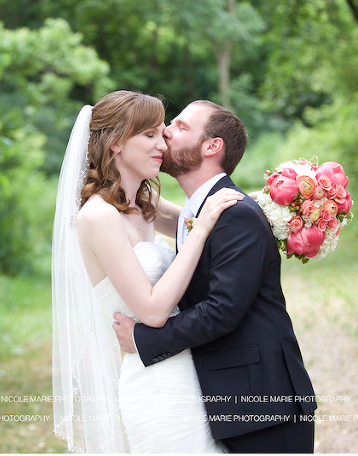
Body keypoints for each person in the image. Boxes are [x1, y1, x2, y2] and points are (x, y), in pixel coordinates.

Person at [113, 100, 317, 453]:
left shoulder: (235, 214)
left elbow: (222, 310)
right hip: (234, 400)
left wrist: (144, 340)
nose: (166, 132)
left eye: (180, 127)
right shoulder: (196, 213)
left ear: (212, 146)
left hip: (264, 404)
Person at [52, 91, 243, 453]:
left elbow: (211, 214)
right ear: (115, 142)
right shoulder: (98, 216)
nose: (163, 143)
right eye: (150, 134)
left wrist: (282, 202)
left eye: (163, 132)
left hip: (186, 367)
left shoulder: (143, 201)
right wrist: (199, 231)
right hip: (156, 384)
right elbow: (153, 311)